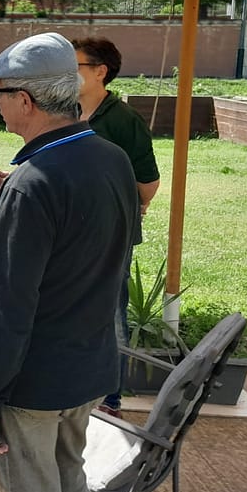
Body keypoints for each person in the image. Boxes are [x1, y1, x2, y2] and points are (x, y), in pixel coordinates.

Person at [0, 32, 140, 492]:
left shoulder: (31, 184)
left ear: (25, 100)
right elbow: (96, 250)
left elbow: (7, 306)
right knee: (69, 479)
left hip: (35, 381)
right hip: (88, 368)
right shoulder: (113, 159)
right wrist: (3, 207)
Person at [72, 36, 160, 418]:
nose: (67, 73)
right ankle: (75, 389)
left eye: (75, 65)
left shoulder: (123, 120)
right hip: (67, 232)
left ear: (100, 72)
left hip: (110, 235)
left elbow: (148, 184)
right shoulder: (64, 112)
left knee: (110, 312)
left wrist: (118, 202)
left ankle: (110, 400)